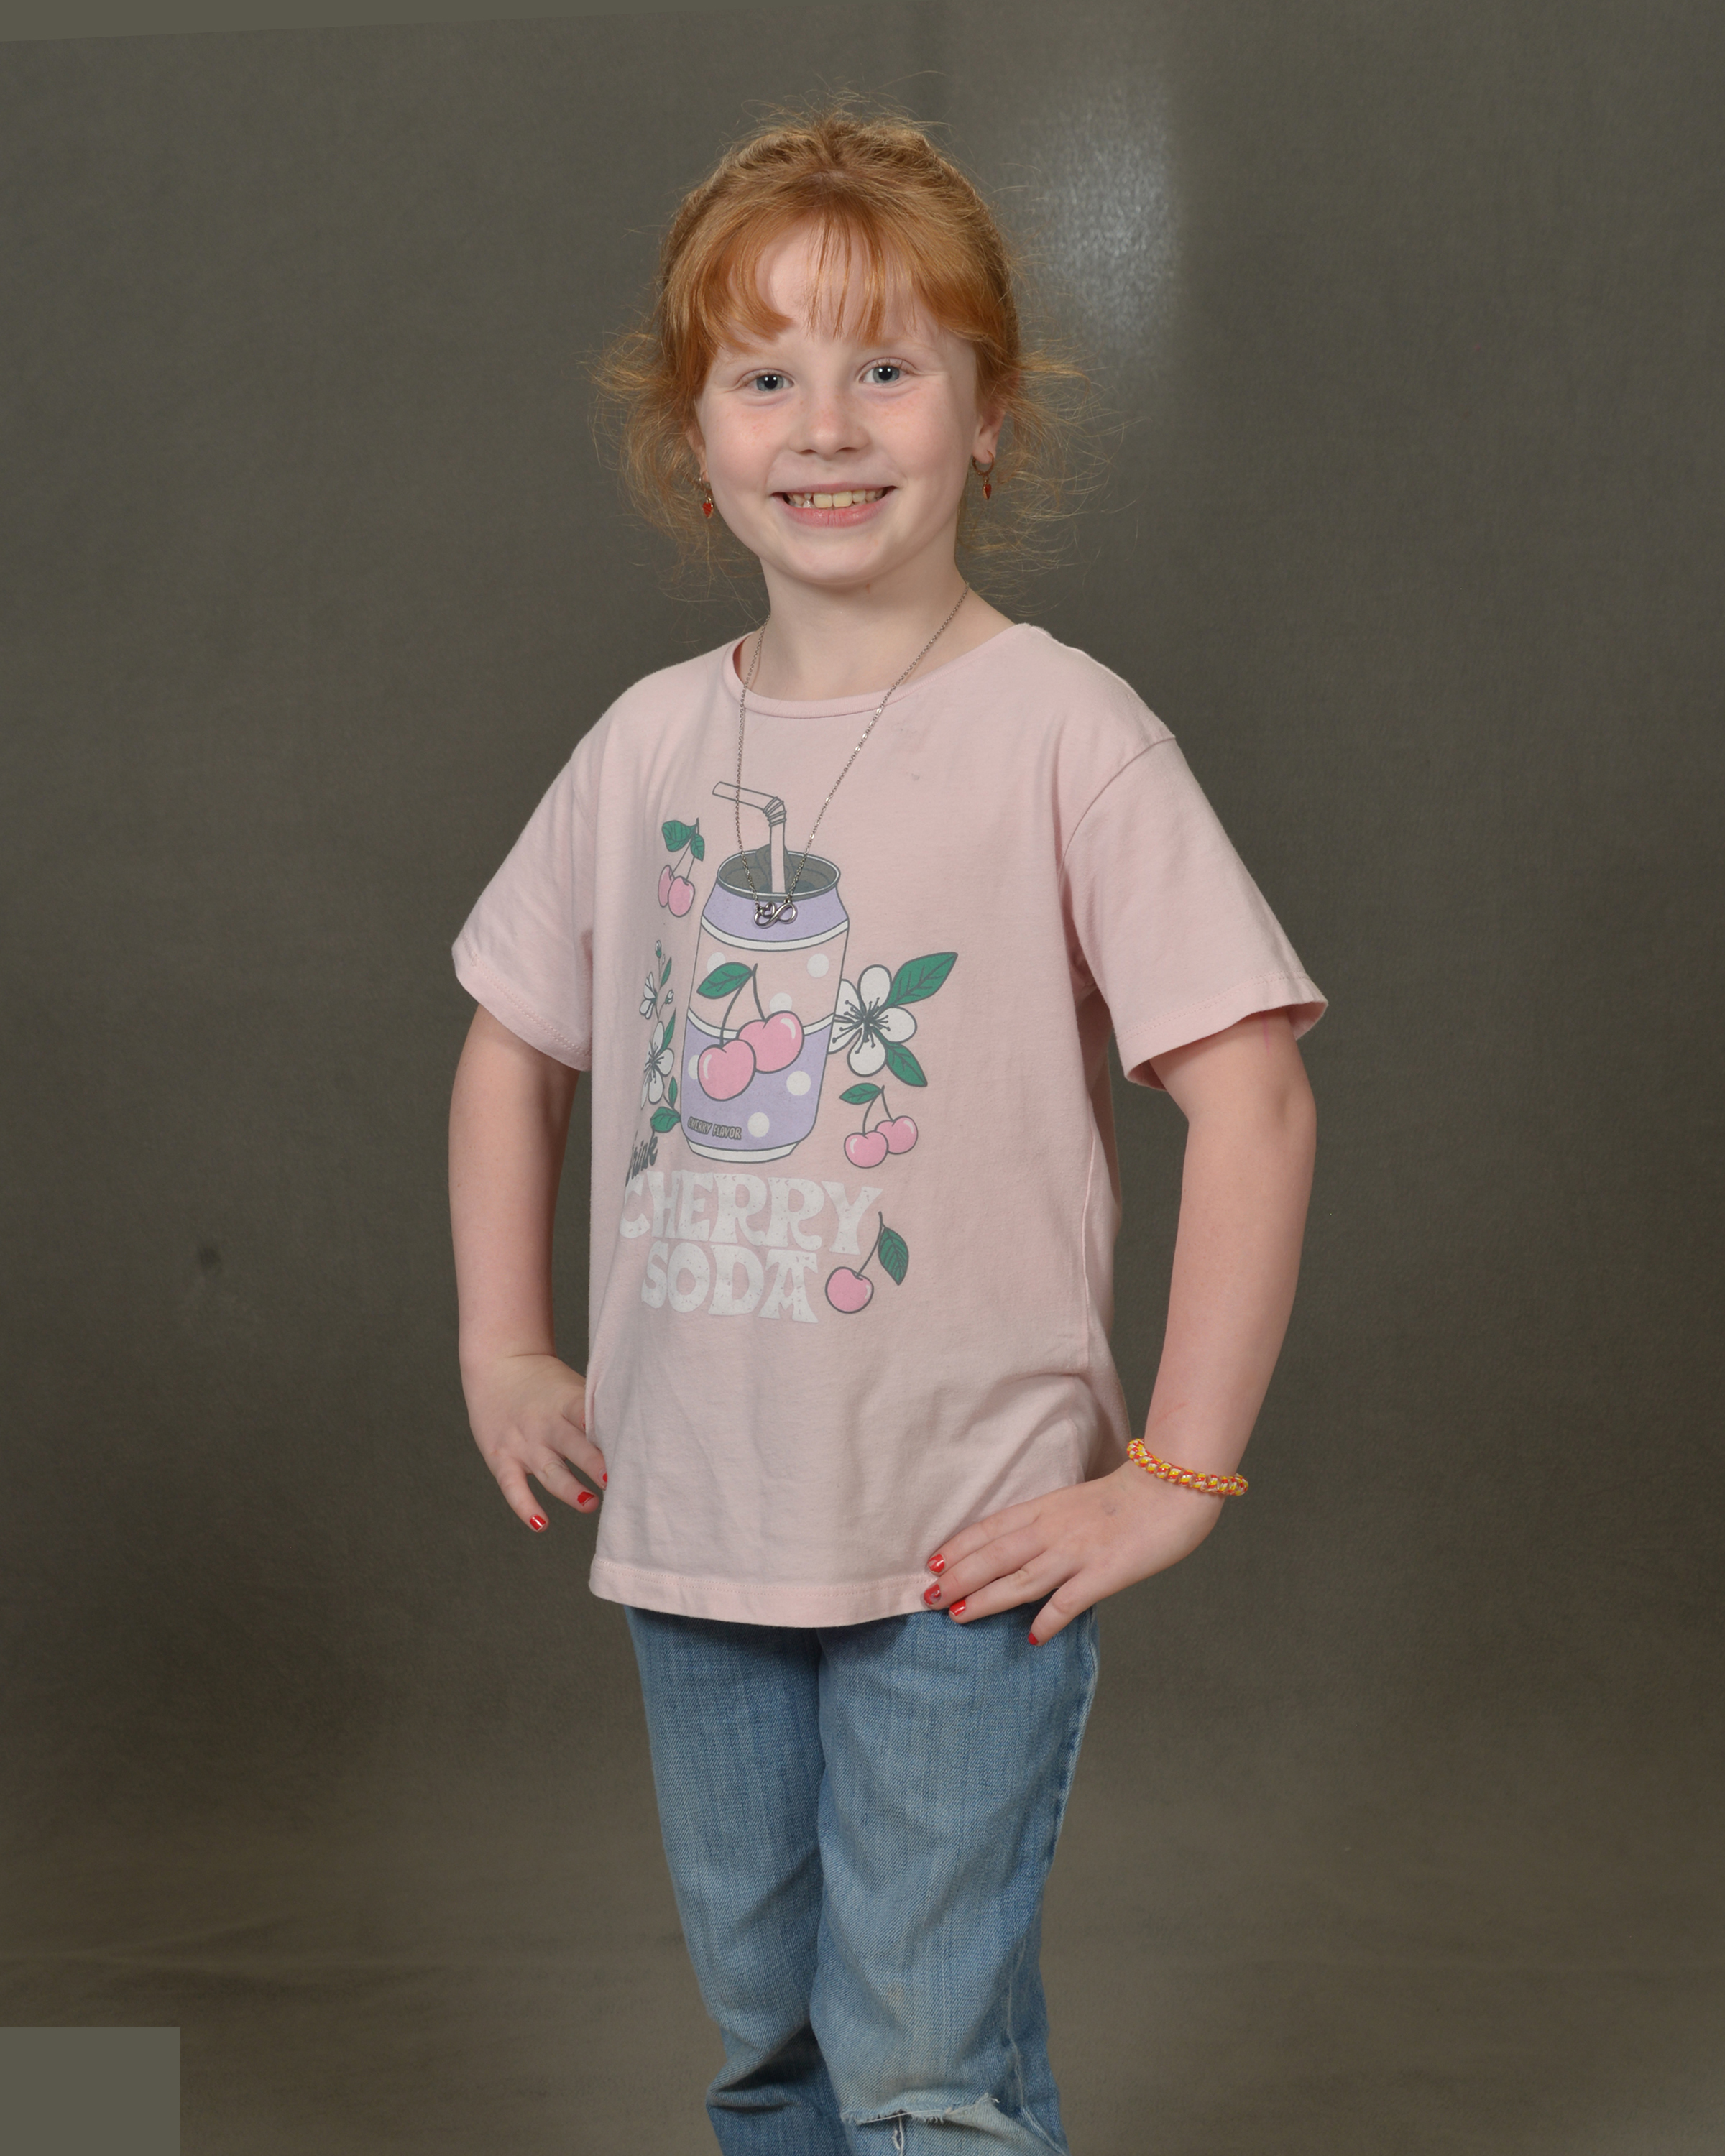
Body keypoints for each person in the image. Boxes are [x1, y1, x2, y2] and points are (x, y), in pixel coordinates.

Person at [448, 108, 1323, 2156]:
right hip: (698, 1519)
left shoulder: (1066, 733)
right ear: (694, 437)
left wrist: (1176, 1475)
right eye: (765, 377)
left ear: (990, 416)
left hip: (964, 1537)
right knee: (771, 2035)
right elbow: (511, 1047)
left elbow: (1256, 1098)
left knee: (924, 2057)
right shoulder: (647, 745)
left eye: (888, 367)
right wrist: (503, 1344)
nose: (826, 427)